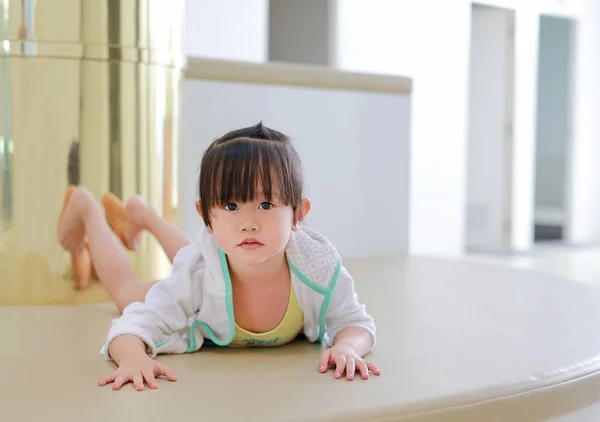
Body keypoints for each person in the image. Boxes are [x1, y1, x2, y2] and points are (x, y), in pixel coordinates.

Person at [57, 122, 379, 392]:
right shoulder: (194, 277)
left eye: (266, 205)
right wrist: (132, 357)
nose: (248, 222)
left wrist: (347, 345)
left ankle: (142, 214)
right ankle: (87, 207)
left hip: (212, 260)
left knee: (210, 252)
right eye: (230, 206)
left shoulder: (318, 267)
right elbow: (134, 323)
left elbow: (354, 321)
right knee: (129, 292)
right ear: (206, 217)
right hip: (204, 268)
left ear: (298, 214)